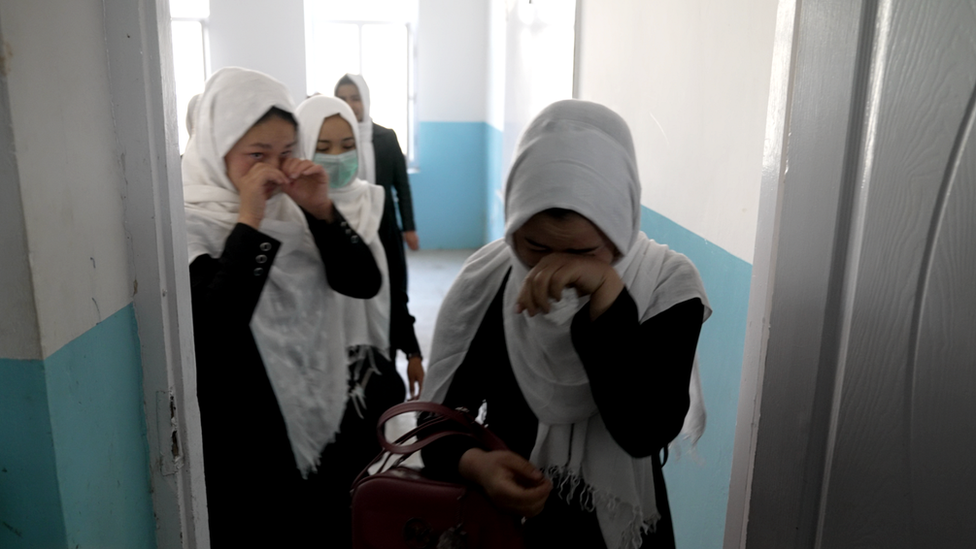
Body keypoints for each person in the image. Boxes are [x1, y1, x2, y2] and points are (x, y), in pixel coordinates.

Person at [420, 100, 711, 549]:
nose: (555, 268)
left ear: (620, 229)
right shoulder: (490, 278)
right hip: (507, 524)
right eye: (535, 246)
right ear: (513, 225)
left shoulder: (667, 285)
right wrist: (475, 464)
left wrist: (608, 299)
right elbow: (434, 426)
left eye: (582, 253)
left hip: (624, 531)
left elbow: (644, 429)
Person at [183, 67, 380, 547]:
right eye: (256, 155)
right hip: (245, 439)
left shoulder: (296, 209)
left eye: (286, 152)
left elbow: (363, 282)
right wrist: (248, 220)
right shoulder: (188, 221)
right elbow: (216, 326)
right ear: (216, 147)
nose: (273, 168)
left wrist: (322, 212)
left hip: (320, 406)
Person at [294, 95, 426, 545]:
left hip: (369, 371)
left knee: (364, 478)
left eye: (347, 144)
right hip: (312, 372)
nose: (337, 157)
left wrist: (411, 349)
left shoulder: (375, 203)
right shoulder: (289, 213)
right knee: (320, 486)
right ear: (303, 150)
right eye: (323, 146)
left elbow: (395, 285)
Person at [334, 74, 420, 252]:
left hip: (384, 222)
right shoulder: (332, 142)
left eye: (355, 98)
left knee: (392, 274)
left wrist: (409, 227)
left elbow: (402, 187)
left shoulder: (386, 138)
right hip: (345, 222)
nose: (349, 105)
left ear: (366, 100)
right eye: (342, 99)